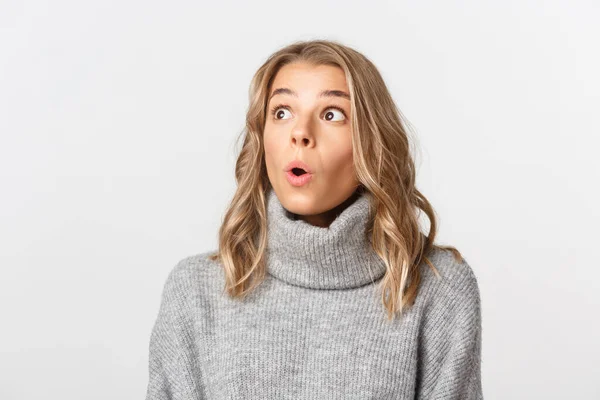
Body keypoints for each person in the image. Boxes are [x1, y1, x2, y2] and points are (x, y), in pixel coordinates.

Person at [145, 39, 483, 399]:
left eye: (332, 114)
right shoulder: (195, 290)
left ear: (372, 142)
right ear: (261, 139)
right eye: (281, 112)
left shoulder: (437, 288)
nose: (300, 133)